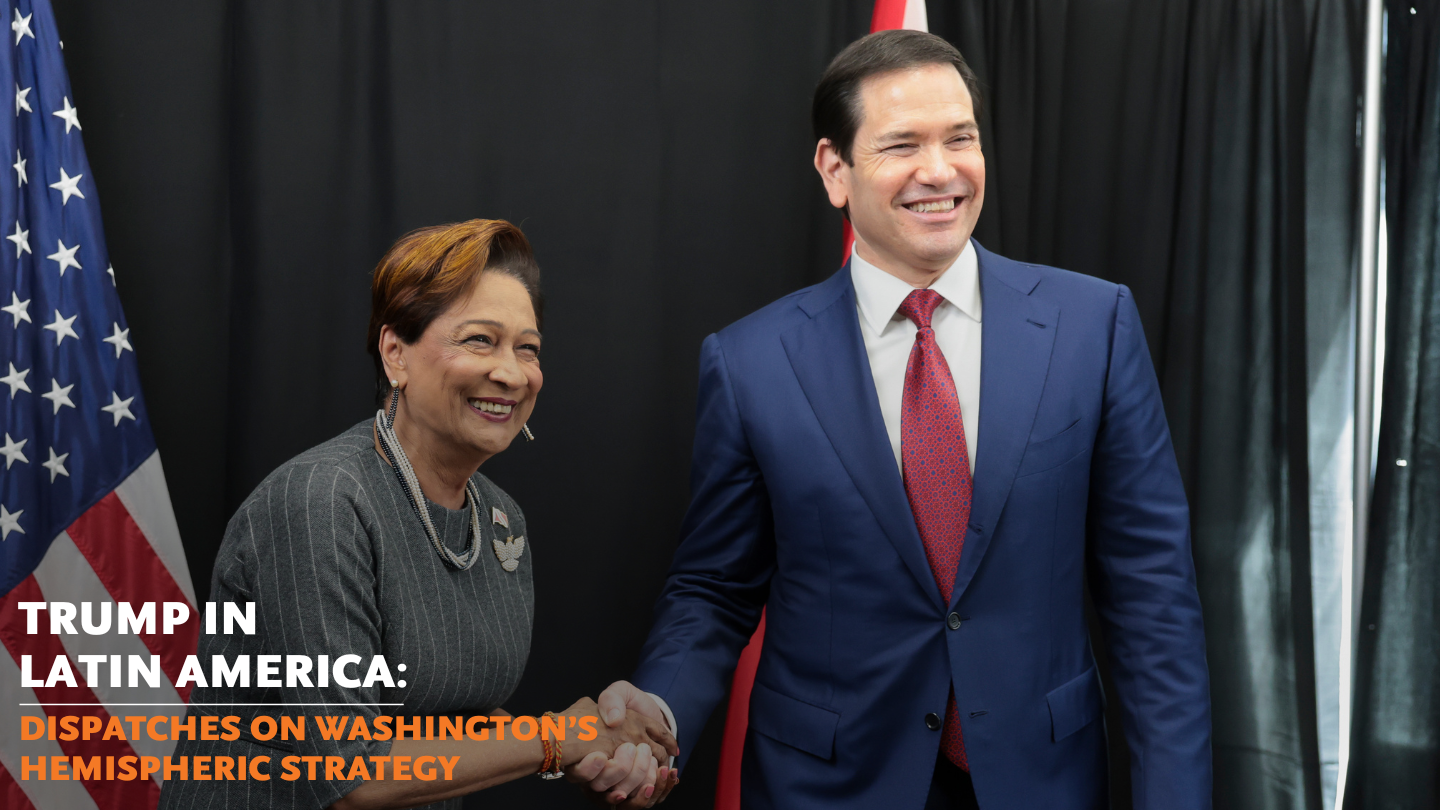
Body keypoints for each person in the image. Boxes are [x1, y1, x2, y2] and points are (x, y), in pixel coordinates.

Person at [591, 30, 1212, 810]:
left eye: (960, 138)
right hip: (827, 785)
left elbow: (1154, 596)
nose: (940, 170)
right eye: (902, 145)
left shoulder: (1095, 325)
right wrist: (658, 713)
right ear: (834, 170)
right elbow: (715, 588)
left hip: (1040, 781)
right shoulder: (751, 362)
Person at [160, 220, 677, 810]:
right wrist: (563, 737)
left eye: (527, 348)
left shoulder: (501, 518)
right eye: (480, 340)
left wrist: (596, 747)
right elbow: (352, 775)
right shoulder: (321, 501)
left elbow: (451, 715)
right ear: (395, 354)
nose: (511, 372)